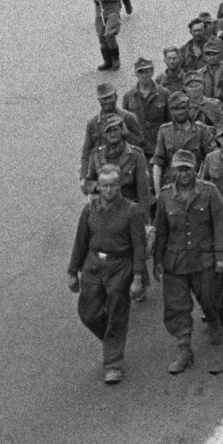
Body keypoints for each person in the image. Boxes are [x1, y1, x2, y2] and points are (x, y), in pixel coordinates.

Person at [67, 164, 149, 383]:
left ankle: (113, 363)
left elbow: (139, 247)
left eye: (113, 185)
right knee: (88, 314)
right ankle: (112, 340)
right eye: (104, 186)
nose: (109, 190)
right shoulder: (90, 210)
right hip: (93, 265)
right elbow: (80, 241)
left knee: (116, 314)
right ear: (98, 187)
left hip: (120, 268)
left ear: (120, 185)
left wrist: (138, 278)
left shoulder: (132, 211)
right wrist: (72, 272)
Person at [154, 150, 223, 375]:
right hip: (175, 261)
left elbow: (219, 225)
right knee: (177, 307)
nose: (184, 173)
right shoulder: (166, 196)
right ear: (174, 171)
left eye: (188, 168)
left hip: (203, 259)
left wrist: (221, 257)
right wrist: (157, 260)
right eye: (180, 169)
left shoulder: (209, 192)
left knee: (208, 298)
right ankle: (184, 349)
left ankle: (214, 320)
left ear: (195, 169)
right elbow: (161, 230)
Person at [90, 0, 126, 72]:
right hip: (100, 10)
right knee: (101, 35)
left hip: (113, 9)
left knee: (109, 34)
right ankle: (107, 60)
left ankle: (116, 60)